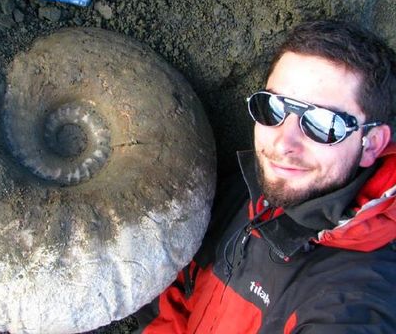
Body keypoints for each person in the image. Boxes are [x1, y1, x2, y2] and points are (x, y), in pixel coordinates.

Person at [134, 20, 396, 333]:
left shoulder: (355, 302)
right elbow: (179, 297)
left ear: (372, 144)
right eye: (272, 108)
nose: (283, 143)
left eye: (322, 124)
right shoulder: (253, 189)